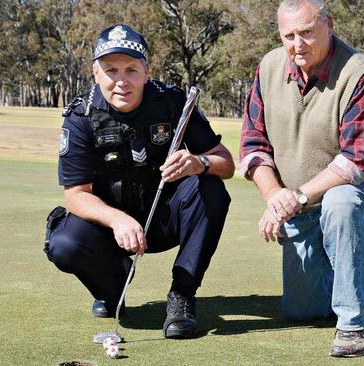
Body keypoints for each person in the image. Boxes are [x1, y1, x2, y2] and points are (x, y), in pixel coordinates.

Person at [44, 24, 234, 339]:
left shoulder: (173, 103)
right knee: (64, 243)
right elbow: (76, 196)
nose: (122, 80)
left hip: (163, 217)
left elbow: (225, 163)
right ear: (95, 72)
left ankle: (182, 296)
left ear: (146, 70)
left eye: (131, 69)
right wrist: (117, 220)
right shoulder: (81, 116)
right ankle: (113, 286)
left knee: (211, 188)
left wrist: (198, 163)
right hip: (111, 230)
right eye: (111, 70)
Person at [239, 0, 364, 357]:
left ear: (330, 25)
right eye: (289, 35)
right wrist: (275, 195)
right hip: (299, 196)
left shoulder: (359, 74)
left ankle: (354, 326)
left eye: (307, 32)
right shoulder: (268, 67)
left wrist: (293, 200)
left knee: (340, 204)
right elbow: (253, 144)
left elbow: (355, 162)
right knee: (304, 311)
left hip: (362, 184)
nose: (298, 44)